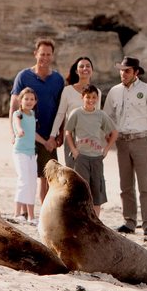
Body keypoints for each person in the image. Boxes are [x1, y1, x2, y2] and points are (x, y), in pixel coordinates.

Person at [103, 56, 147, 236]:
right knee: (126, 185)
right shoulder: (114, 92)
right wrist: (107, 136)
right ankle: (129, 222)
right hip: (121, 142)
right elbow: (107, 116)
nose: (123, 74)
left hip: (142, 141)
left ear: (136, 72)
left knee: (146, 185)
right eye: (121, 70)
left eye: (127, 70)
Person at [9, 37, 65, 204]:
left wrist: (60, 133)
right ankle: (24, 211)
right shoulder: (23, 76)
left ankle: (44, 210)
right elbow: (13, 107)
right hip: (25, 135)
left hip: (49, 136)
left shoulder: (58, 80)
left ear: (52, 56)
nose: (45, 58)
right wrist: (13, 132)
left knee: (47, 176)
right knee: (26, 175)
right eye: (42, 54)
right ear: (35, 54)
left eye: (48, 54)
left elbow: (61, 110)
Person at [64, 84, 117, 217]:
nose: (91, 100)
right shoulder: (76, 113)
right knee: (82, 188)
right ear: (83, 97)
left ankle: (96, 219)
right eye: (88, 97)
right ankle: (82, 217)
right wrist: (74, 150)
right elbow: (68, 132)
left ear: (97, 99)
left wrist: (106, 150)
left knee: (97, 189)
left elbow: (114, 132)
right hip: (81, 157)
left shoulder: (100, 115)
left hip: (97, 158)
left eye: (94, 97)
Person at [49, 56, 101, 168]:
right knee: (72, 172)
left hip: (90, 139)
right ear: (77, 71)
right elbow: (60, 114)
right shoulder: (67, 91)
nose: (85, 68)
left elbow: (98, 117)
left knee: (88, 175)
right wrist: (53, 136)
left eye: (88, 66)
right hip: (71, 137)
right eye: (81, 66)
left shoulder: (98, 92)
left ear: (92, 70)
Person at [11, 87, 45, 225]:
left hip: (31, 154)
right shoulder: (18, 114)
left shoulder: (32, 115)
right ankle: (17, 213)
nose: (29, 101)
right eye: (26, 99)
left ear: (35, 101)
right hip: (20, 152)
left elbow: (34, 134)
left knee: (32, 183)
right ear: (21, 100)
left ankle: (31, 216)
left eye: (32, 99)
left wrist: (46, 142)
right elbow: (18, 124)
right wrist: (19, 131)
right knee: (23, 180)